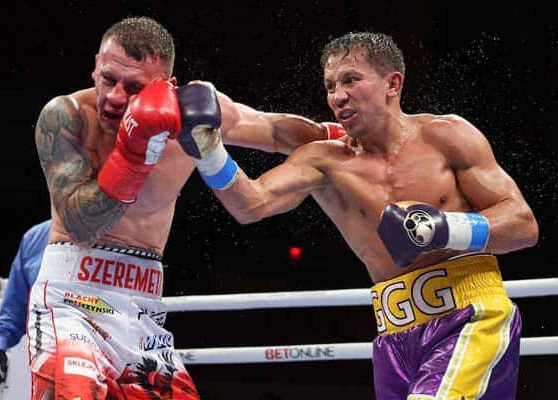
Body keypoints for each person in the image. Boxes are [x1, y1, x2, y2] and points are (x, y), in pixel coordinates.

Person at [177, 32, 539, 399]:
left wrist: (444, 229)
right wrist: (208, 150)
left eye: (350, 80)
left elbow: (523, 224)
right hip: (394, 339)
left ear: (392, 83)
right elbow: (250, 205)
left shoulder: (447, 136)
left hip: (470, 316)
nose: (338, 96)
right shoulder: (325, 160)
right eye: (330, 86)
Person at [30, 16, 343, 400]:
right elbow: (81, 226)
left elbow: (275, 131)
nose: (114, 96)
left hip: (142, 307)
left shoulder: (191, 113)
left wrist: (347, 137)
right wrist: (134, 152)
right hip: (72, 299)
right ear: (96, 65)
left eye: (134, 88)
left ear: (166, 86)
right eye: (108, 78)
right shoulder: (67, 117)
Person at [0, 220, 51, 385]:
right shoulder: (35, 239)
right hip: (48, 370)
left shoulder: (114, 234)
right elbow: (15, 311)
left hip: (107, 367)